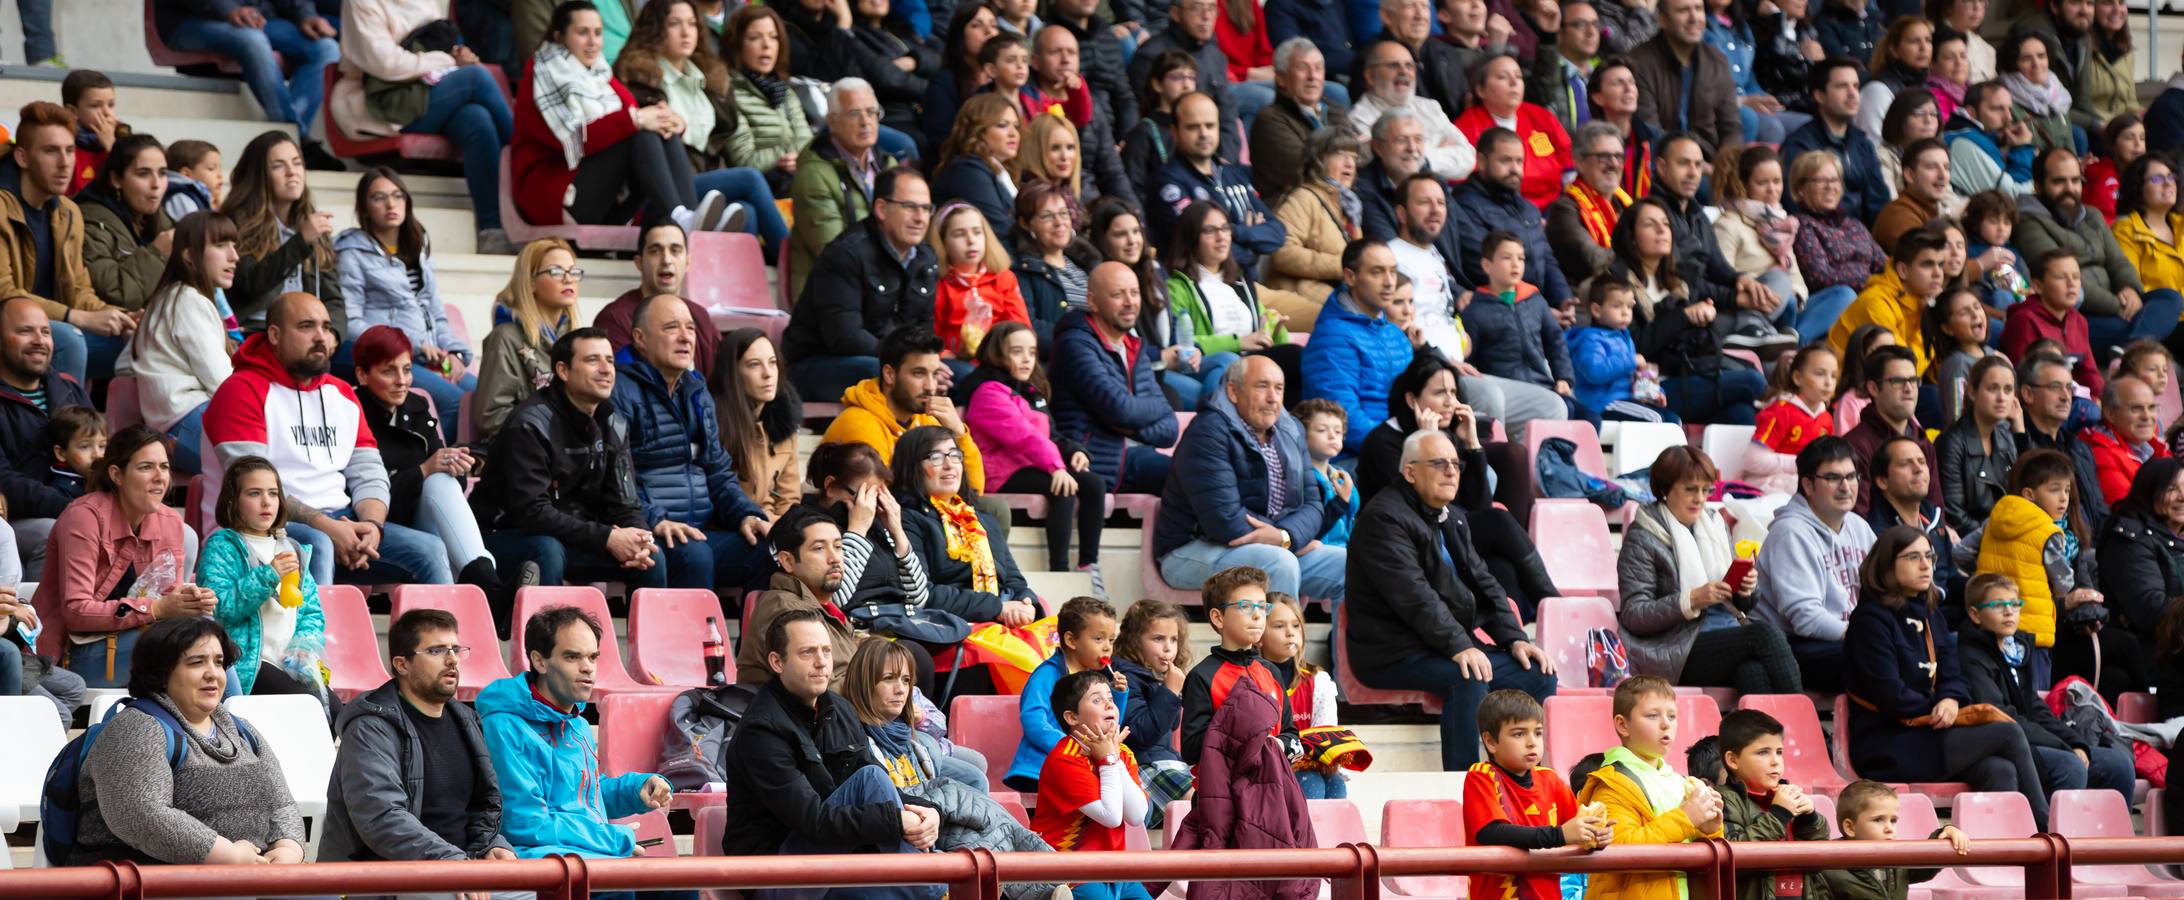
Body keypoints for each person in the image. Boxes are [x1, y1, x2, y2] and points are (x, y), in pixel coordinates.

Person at [207, 293, 453, 590]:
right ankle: (314, 638)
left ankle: (442, 635)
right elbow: (252, 488)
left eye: (326, 327)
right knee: (317, 545)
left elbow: (369, 471)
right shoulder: (241, 391)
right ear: (275, 334)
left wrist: (372, 526)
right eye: (307, 326)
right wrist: (326, 526)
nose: (321, 337)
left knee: (429, 550)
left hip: (342, 521)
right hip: (262, 528)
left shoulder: (341, 393)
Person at [1346, 429, 1557, 770]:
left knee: (1537, 673)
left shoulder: (1451, 515)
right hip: (1393, 650)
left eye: (1456, 464)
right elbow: (1415, 597)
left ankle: (1519, 774)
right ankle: (1463, 783)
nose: (1452, 471)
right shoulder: (1383, 519)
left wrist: (1515, 639)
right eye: (1439, 463)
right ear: (1410, 471)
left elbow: (1485, 582)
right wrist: (1460, 645)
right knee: (1468, 675)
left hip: (1440, 644)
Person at [721, 609, 945, 900]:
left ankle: (933, 882)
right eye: (807, 652)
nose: (822, 662)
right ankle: (937, 885)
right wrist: (896, 821)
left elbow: (881, 790)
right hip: (776, 871)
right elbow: (814, 821)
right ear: (777, 662)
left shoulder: (838, 709)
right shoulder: (761, 731)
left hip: (834, 856)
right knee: (870, 779)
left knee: (885, 893)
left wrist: (928, 811)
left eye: (826, 650)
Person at [63, 616, 311, 876]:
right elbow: (141, 815)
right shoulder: (136, 728)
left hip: (249, 873)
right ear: (160, 673)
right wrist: (227, 855)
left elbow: (281, 803)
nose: (213, 673)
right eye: (196, 662)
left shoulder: (243, 731)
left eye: (218, 662)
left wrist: (288, 849)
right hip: (160, 880)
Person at [1845, 524, 2051, 829]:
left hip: (1931, 734)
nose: (1926, 564)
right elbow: (1890, 695)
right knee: (2007, 733)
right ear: (1888, 566)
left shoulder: (1931, 615)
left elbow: (1954, 674)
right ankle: (2046, 835)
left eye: (1929, 556)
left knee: (1999, 769)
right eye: (1913, 557)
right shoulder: (1870, 620)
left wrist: (1951, 698)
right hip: (1888, 742)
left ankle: (2001, 858)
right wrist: (1937, 705)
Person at [478, 607, 690, 900]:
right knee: (618, 890)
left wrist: (635, 790)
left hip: (587, 855)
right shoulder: (504, 725)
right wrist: (615, 839)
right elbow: (525, 824)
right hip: (536, 859)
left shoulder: (575, 722)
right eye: (573, 657)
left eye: (592, 657)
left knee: (678, 885)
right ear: (539, 661)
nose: (588, 667)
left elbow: (585, 793)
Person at [319, 608, 522, 892]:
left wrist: (491, 845)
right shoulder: (370, 728)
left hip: (459, 869)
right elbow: (382, 818)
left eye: (456, 649)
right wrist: (454, 865)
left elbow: (482, 806)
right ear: (402, 664)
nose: (452, 659)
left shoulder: (466, 720)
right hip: (390, 878)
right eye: (437, 650)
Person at [471, 329, 664, 612]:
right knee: (546, 550)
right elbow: (532, 513)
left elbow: (625, 503)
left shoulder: (613, 423)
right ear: (562, 370)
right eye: (593, 360)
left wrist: (640, 538)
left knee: (650, 558)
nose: (605, 369)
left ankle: (650, 652)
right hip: (505, 535)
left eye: (610, 361)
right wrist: (606, 537)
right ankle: (543, 649)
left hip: (573, 536)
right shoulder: (530, 424)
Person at [510, 1, 733, 234]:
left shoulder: (599, 72)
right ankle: (681, 218)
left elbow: (634, 113)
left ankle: (688, 217)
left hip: (601, 197)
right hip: (557, 199)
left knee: (655, 127)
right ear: (559, 36)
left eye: (598, 33)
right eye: (582, 33)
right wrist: (637, 120)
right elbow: (572, 144)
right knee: (641, 133)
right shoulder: (542, 75)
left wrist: (673, 123)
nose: (592, 42)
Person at [352, 325, 523, 617]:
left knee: (443, 481)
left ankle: (487, 586)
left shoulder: (416, 405)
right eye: (389, 371)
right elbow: (363, 488)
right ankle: (489, 594)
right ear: (362, 375)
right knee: (436, 481)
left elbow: (438, 471)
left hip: (423, 515)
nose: (402, 381)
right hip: (378, 520)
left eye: (407, 370)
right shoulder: (352, 409)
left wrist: (454, 465)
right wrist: (424, 469)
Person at [610, 294, 772, 592]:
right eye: (672, 327)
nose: (685, 337)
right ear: (640, 338)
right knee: (694, 554)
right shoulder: (619, 391)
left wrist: (746, 514)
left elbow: (719, 472)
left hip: (696, 531)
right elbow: (618, 477)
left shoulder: (697, 391)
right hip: (651, 530)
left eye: (691, 328)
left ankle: (753, 640)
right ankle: (691, 640)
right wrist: (655, 520)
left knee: (768, 550)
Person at [1156, 355, 1347, 600]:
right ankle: (1283, 639)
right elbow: (1224, 520)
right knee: (1279, 563)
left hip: (1274, 546)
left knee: (1350, 564)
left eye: (1278, 388)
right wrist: (1284, 541)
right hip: (1192, 550)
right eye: (1261, 386)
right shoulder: (1208, 432)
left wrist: (1286, 537)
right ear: (1233, 392)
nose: (1272, 398)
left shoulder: (1292, 430)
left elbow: (1312, 505)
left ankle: (1340, 640)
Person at [335, 0, 517, 252]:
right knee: (475, 78)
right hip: (383, 104)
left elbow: (439, 38)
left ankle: (492, 229)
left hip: (431, 90)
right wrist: (447, 62)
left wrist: (457, 55)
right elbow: (385, 63)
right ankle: (526, 156)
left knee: (477, 119)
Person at [1620, 446, 1805, 693]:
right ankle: (1806, 724)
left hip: (1724, 632)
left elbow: (1743, 606)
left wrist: (1745, 590)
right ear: (1665, 489)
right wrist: (1691, 599)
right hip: (1673, 647)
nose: (1700, 498)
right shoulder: (1642, 537)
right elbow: (1634, 615)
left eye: (1706, 490)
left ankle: (1779, 731)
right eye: (1690, 489)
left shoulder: (1715, 524)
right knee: (1763, 635)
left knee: (1752, 672)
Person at [34, 426, 205, 688]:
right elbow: (76, 612)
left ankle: (221, 726)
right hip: (72, 654)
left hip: (138, 641)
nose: (160, 477)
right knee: (196, 645)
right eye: (146, 467)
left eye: (165, 467)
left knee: (208, 634)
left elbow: (170, 595)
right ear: (117, 475)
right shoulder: (84, 518)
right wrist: (157, 608)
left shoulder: (170, 521)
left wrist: (189, 600)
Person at [617, 0, 791, 248]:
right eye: (675, 24)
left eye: (692, 24)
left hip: (704, 181)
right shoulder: (637, 76)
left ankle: (733, 286)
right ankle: (793, 261)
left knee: (746, 211)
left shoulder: (711, 78)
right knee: (750, 179)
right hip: (664, 189)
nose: (686, 32)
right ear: (654, 28)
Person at [1957, 572, 2138, 798]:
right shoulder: (1970, 656)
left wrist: (2074, 741)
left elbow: (2035, 708)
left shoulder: (2017, 649)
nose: (2009, 611)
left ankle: (2112, 834)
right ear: (1975, 614)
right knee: (2069, 765)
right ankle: (2058, 832)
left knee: (2119, 764)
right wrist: (2062, 746)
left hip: (2033, 739)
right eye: (1998, 605)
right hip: (2003, 747)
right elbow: (2001, 716)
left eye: (2014, 604)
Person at [0, 101, 135, 385]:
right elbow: (5, 293)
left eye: (70, 150)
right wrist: (79, 318)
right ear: (23, 158)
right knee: (69, 340)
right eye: (51, 151)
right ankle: (65, 429)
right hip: (12, 329)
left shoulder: (67, 212)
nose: (65, 163)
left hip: (53, 327)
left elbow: (78, 290)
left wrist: (120, 317)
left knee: (142, 343)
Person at [336, 168, 473, 444]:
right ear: (364, 207)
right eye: (379, 197)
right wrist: (412, 345)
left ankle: (474, 463)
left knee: (481, 397)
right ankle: (433, 462)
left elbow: (436, 313)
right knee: (456, 403)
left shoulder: (418, 247)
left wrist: (455, 352)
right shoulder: (352, 251)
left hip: (428, 355)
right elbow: (350, 322)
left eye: (397, 196)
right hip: (390, 355)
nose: (390, 204)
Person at [784, 167, 940, 403]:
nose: (920, 218)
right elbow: (845, 337)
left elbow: (923, 328)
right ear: (881, 209)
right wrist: (906, 363)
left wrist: (928, 365)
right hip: (817, 365)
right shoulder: (846, 253)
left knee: (964, 377)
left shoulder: (926, 258)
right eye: (910, 207)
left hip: (892, 362)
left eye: (926, 209)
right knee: (878, 375)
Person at [965, 321, 1105, 575]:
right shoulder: (988, 392)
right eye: (1017, 351)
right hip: (998, 473)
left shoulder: (1030, 392)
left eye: (1032, 352)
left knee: (1094, 483)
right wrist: (1056, 467)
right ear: (997, 354)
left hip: (1029, 465)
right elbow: (1024, 436)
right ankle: (1059, 570)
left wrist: (1074, 451)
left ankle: (1088, 565)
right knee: (1061, 487)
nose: (1027, 359)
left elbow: (1051, 434)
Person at [1574, 676, 1727, 900]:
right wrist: (1686, 818)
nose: (1666, 724)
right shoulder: (1613, 784)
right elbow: (1621, 850)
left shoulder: (1679, 781)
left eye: (1672, 716)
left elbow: (1703, 856)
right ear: (1622, 725)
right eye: (1653, 715)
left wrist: (1709, 828)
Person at [2015, 148, 2184, 351]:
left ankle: (2132, 346)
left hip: (2121, 306)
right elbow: (2059, 277)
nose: (2070, 188)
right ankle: (2138, 344)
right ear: (2038, 186)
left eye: (2075, 180)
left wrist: (2130, 289)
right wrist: (2118, 305)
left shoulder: (2092, 215)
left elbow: (2118, 262)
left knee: (2169, 298)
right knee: (2138, 324)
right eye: (2059, 181)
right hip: (2079, 313)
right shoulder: (2028, 222)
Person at [196, 455, 331, 705]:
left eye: (273, 493)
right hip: (247, 664)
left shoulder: (293, 548)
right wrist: (269, 574)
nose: (266, 502)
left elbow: (312, 612)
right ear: (232, 501)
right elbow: (219, 610)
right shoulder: (222, 546)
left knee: (332, 708)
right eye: (254, 493)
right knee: (305, 705)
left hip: (288, 662)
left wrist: (303, 646)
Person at [1753, 436, 1877, 693]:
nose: (1846, 486)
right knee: (1877, 659)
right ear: (1808, 485)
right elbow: (1806, 619)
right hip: (1798, 648)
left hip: (1846, 638)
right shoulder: (1790, 533)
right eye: (1833, 478)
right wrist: (1865, 636)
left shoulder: (1858, 526)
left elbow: (1884, 589)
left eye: (1852, 476)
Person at [116, 212, 236, 476]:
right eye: (220, 245)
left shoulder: (167, 296)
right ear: (189, 255)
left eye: (234, 245)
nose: (234, 256)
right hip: (189, 420)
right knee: (270, 467)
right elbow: (225, 384)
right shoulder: (189, 300)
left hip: (176, 423)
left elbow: (124, 365)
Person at [1048, 262, 1182, 494]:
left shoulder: (1133, 346)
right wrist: (1146, 413)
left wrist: (1129, 428)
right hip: (1099, 461)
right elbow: (1120, 409)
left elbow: (1170, 428)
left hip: (1138, 453)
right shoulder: (1075, 344)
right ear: (1093, 302)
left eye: (1134, 293)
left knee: (1210, 475)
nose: (1130, 302)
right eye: (1118, 295)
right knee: (1194, 479)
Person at [1463, 690, 1611, 900]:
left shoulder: (1550, 780)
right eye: (1519, 734)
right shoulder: (1481, 775)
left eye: (1538, 733)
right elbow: (1491, 832)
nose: (1532, 742)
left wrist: (1597, 836)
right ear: (1490, 742)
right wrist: (1560, 835)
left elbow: (1576, 831)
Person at [152, 0, 342, 160]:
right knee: (253, 40)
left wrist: (305, 15)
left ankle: (288, 137)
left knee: (326, 48)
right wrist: (228, 8)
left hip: (257, 19)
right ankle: (294, 139)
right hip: (190, 19)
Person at [1163, 202, 1305, 401]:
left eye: (1225, 228)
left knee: (1304, 363)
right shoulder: (1177, 286)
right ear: (1191, 238)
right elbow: (1179, 343)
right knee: (1287, 358)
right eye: (1210, 231)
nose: (1221, 237)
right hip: (1211, 362)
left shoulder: (1240, 283)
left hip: (1251, 360)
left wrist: (1275, 330)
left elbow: (1264, 332)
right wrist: (1239, 342)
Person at [222, 131, 347, 360]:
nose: (292, 172)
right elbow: (250, 283)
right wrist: (300, 242)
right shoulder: (237, 223)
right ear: (259, 175)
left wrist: (334, 334)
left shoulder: (312, 225)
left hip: (310, 335)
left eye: (297, 163)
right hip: (257, 332)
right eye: (279, 166)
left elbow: (333, 299)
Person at [1716, 144, 1858, 344]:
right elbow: (1722, 276)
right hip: (1751, 307)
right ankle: (1756, 330)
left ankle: (1792, 341)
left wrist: (1795, 294)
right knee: (1778, 278)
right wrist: (1763, 286)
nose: (1772, 190)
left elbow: (1796, 278)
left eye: (1776, 181)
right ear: (1744, 185)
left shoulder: (1782, 224)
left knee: (1845, 294)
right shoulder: (1728, 224)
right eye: (1762, 183)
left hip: (1789, 308)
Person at [1032, 670, 1152, 900]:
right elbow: (1111, 816)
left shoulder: (1123, 753)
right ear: (1072, 718)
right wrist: (1108, 760)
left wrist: (1114, 759)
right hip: (1070, 871)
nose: (1109, 705)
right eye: (1097, 700)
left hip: (1116, 870)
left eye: (1110, 698)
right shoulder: (1064, 759)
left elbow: (1137, 815)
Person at [789, 80, 905, 298]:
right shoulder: (814, 173)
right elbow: (834, 253)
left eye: (872, 112)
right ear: (832, 121)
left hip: (882, 288)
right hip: (832, 295)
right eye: (854, 113)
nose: (865, 122)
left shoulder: (888, 166)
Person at [1176, 565, 1301, 764]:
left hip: (1273, 786)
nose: (1258, 615)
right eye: (1246, 606)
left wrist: (1277, 745)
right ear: (1218, 617)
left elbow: (1292, 736)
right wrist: (1244, 737)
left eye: (1262, 606)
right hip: (1224, 790)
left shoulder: (1271, 671)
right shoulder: (1203, 676)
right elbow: (1191, 750)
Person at [1148, 92, 1285, 273]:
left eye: (1210, 125)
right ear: (1174, 132)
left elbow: (1277, 233)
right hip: (1201, 289)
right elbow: (1201, 250)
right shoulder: (1168, 183)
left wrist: (1236, 232)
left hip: (1248, 285)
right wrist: (1252, 246)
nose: (1204, 133)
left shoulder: (1232, 174)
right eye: (1193, 127)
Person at [1301, 240, 1414, 456]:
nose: (1390, 282)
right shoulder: (1332, 336)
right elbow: (1344, 418)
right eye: (1377, 272)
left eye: (1393, 271)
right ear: (1350, 277)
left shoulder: (1395, 334)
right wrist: (1402, 449)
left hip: (1396, 446)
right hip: (1354, 459)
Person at [1005, 595, 1126, 790]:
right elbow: (1032, 719)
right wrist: (1071, 747)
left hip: (1079, 766)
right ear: (1071, 640)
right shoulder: (1047, 674)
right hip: (1040, 769)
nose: (1107, 647)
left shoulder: (1095, 680)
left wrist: (1118, 695)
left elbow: (1108, 723)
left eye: (1111, 640)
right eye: (1098, 638)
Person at [1714, 710, 1831, 900]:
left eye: (1779, 752)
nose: (1775, 761)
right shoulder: (1725, 799)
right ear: (1733, 760)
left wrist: (1810, 820)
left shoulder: (1787, 796)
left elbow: (1820, 861)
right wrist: (1778, 815)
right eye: (1763, 752)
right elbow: (1733, 856)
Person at [473, 238, 581, 442]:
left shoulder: (576, 340)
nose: (568, 279)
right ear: (530, 281)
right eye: (556, 271)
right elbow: (490, 417)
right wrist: (559, 426)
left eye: (573, 271)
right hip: (524, 453)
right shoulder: (505, 337)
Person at [593, 220, 720, 383]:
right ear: (639, 263)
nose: (666, 260)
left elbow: (721, 382)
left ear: (688, 262)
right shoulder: (615, 318)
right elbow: (622, 388)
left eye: (675, 250)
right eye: (655, 251)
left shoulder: (700, 316)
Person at [1827, 229, 1951, 383]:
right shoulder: (1876, 302)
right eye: (1928, 265)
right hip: (1846, 393)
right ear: (1903, 270)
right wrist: (1929, 325)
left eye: (1940, 265)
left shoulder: (1926, 301)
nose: (1938, 273)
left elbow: (1939, 375)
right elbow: (1904, 371)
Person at [1128, 0, 1244, 162]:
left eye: (1212, 8)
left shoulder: (1216, 56)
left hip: (1212, 159)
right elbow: (1146, 113)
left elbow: (1227, 115)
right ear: (1175, 13)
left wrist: (1225, 159)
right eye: (1196, 8)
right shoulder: (1150, 56)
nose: (1206, 16)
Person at [1780, 58, 1892, 225]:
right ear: (1820, 95)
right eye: (1842, 86)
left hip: (1863, 240)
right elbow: (1796, 206)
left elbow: (1879, 204)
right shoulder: (1800, 145)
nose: (1853, 94)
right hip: (1820, 239)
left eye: (1855, 86)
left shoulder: (1863, 144)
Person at [1346, 40, 1477, 181]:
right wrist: (1438, 152)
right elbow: (1394, 170)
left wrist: (1422, 159)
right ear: (1370, 76)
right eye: (1393, 65)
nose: (1404, 72)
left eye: (1409, 66)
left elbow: (1468, 157)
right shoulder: (1359, 119)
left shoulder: (1430, 107)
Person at [1269, 120, 1364, 311]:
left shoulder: (1349, 205)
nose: (1349, 164)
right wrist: (1342, 266)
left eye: (1353, 157)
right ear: (1318, 158)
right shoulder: (1304, 197)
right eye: (1340, 154)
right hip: (1303, 300)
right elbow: (1282, 253)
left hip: (1335, 296)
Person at [77, 134, 174, 316]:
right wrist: (157, 254)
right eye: (143, 174)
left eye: (162, 173)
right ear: (116, 180)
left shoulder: (156, 217)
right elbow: (116, 292)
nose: (156, 184)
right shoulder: (92, 221)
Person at [1628, 0, 1741, 156]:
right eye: (1683, 10)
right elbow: (1649, 130)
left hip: (1709, 159)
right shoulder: (1639, 63)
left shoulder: (1716, 61)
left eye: (1699, 9)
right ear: (1663, 20)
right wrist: (1696, 165)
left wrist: (1725, 166)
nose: (1694, 18)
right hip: (1661, 162)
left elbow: (1732, 127)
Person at [714, 329, 804, 521]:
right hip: (734, 525)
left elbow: (789, 498)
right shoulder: (714, 423)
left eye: (772, 363)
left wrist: (787, 530)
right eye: (754, 365)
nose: (768, 374)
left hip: (773, 525)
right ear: (732, 373)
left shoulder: (784, 421)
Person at [1844, 344, 1945, 515]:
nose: (1909, 388)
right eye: (1898, 381)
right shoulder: (1855, 446)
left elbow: (1936, 511)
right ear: (1873, 388)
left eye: (1913, 380)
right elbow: (1859, 521)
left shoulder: (1922, 441)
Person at [2017, 351, 2112, 531]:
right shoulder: (2015, 444)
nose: (2065, 396)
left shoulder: (2080, 448)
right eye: (2055, 387)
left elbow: (2099, 511)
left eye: (2069, 388)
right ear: (2028, 394)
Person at [1248, 39, 1346, 203]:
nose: (1312, 76)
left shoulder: (1335, 110)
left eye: (1318, 68)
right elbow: (1306, 170)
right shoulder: (1269, 120)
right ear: (1280, 78)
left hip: (1335, 205)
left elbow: (1364, 152)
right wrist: (1345, 153)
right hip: (1292, 214)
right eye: (1303, 68)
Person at [1939, 355, 2023, 533]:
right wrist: (1999, 536)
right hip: (1972, 546)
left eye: (2008, 390)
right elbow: (1955, 516)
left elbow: (2027, 494)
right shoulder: (1952, 442)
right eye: (1993, 388)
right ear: (1971, 392)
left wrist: (2020, 432)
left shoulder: (2006, 437)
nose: (2002, 397)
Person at [1789, 149, 1888, 299]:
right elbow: (1820, 277)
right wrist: (1871, 280)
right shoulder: (1802, 225)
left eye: (1835, 180)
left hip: (1871, 296)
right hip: (1835, 301)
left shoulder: (1854, 225)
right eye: (1821, 180)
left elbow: (1885, 265)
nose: (1830, 187)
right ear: (1800, 188)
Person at [2002, 250, 2104, 392]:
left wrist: (2099, 398)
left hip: (2078, 400)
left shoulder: (2079, 320)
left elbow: (2090, 373)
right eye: (2061, 277)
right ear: (2038, 286)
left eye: (2076, 277)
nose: (2071, 284)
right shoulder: (2024, 320)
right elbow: (2026, 378)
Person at [1546, 121, 1629, 287]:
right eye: (1603, 157)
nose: (1613, 164)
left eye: (1618, 156)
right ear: (1579, 162)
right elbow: (1595, 260)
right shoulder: (1564, 210)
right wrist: (1645, 258)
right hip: (1587, 300)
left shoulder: (1625, 204)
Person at [1749, 346, 1841, 495]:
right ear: (1798, 378)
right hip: (1767, 486)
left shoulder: (1827, 419)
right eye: (1820, 374)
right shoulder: (1780, 411)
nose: (1828, 382)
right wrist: (1802, 463)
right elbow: (1753, 460)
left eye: (1834, 376)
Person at [2081, 375, 2167, 505]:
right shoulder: (2101, 454)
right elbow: (2127, 509)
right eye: (2136, 409)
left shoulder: (2156, 448)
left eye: (2151, 408)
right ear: (2110, 414)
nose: (2147, 416)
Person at [2110, 155, 2184, 303]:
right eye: (2157, 179)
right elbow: (2132, 286)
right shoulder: (2126, 230)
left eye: (2171, 176)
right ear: (2137, 188)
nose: (2168, 183)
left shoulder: (2180, 223)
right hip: (2163, 318)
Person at [1856, 18, 1936, 144]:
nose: (1923, 47)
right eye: (1914, 41)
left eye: (1928, 40)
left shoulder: (1925, 86)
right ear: (1894, 50)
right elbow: (1875, 146)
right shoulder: (1877, 90)